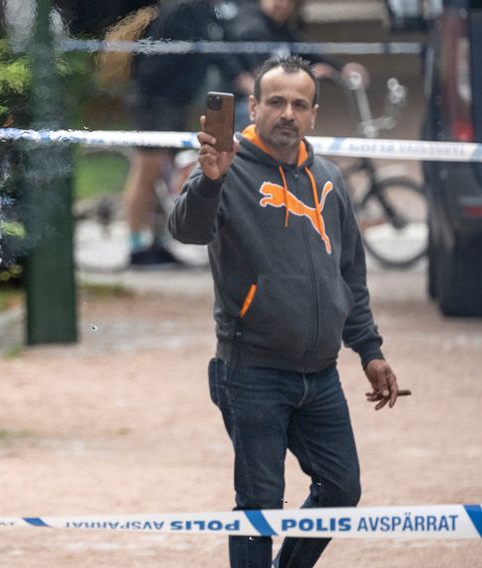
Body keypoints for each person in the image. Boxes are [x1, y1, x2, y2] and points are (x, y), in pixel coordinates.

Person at [169, 55, 400, 568]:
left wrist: (370, 350)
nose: (287, 114)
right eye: (276, 102)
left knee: (341, 490)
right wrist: (209, 181)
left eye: (299, 104)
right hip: (251, 372)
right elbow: (185, 230)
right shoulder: (225, 166)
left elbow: (350, 276)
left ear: (314, 115)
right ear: (253, 107)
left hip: (320, 375)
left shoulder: (330, 178)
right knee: (259, 506)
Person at [125, 0, 249, 267]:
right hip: (155, 100)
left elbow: (223, 48)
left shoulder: (206, 9)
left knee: (165, 171)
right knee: (146, 170)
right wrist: (241, 77)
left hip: (173, 100)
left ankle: (156, 242)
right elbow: (212, 51)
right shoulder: (188, 7)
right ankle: (136, 246)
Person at [226, 0, 352, 131]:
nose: (280, 3)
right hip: (246, 105)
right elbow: (262, 74)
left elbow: (307, 49)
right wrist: (306, 74)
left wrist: (342, 67)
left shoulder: (280, 27)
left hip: (269, 102)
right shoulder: (251, 28)